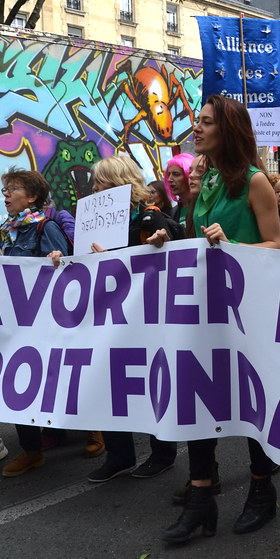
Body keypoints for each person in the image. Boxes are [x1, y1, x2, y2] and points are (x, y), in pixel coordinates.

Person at [149, 95, 280, 544]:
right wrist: (172, 238)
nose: (197, 130)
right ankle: (201, 499)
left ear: (227, 129)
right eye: (197, 122)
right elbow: (199, 243)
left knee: (248, 403)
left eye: (205, 123)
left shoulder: (256, 181)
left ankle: (262, 491)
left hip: (245, 313)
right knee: (197, 398)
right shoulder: (203, 183)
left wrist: (231, 244)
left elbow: (277, 248)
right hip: (204, 310)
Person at [72, 155, 181, 483]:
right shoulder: (95, 221)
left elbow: (170, 251)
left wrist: (116, 260)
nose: (94, 188)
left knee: (151, 382)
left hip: (146, 319)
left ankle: (163, 453)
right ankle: (119, 455)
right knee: (107, 381)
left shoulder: (149, 218)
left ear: (121, 183)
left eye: (100, 182)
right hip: (108, 317)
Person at [0, 168, 71, 477]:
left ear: (33, 197)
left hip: (43, 323)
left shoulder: (45, 228)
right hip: (16, 321)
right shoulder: (6, 231)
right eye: (5, 190)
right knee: (15, 385)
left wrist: (57, 260)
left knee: (55, 383)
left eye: (13, 189)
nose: (6, 195)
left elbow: (68, 275)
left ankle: (92, 429)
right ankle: (31, 451)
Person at [163, 152, 195, 225]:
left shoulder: (201, 207)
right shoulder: (175, 211)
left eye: (176, 174)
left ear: (189, 175)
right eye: (169, 174)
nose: (170, 179)